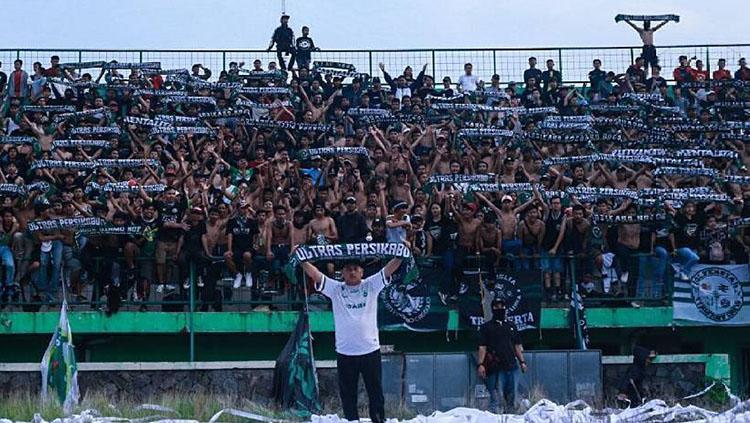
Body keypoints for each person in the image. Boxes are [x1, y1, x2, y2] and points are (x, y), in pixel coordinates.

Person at [300, 256, 404, 423]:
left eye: (356, 269)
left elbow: (389, 269)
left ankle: (378, 420)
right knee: (348, 394)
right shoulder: (335, 289)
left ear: (362, 272)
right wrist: (302, 261)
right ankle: (351, 421)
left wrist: (401, 254)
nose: (352, 272)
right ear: (343, 273)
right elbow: (317, 275)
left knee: (375, 392)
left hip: (370, 350)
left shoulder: (371, 285)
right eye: (348, 269)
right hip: (345, 352)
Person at [477, 298, 527, 413]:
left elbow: (517, 345)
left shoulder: (511, 326)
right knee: (497, 399)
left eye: (502, 306)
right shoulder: (486, 327)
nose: (499, 309)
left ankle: (510, 417)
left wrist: (522, 362)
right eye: (496, 307)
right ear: (492, 308)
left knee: (512, 397)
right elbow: (482, 347)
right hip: (496, 367)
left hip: (512, 366)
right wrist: (480, 364)